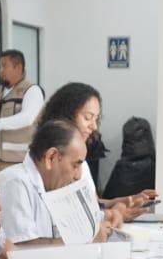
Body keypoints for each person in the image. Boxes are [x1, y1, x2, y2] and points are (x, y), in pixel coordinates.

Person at [35, 82, 155, 222]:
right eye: (87, 117)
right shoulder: (52, 161)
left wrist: (125, 201)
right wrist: (111, 215)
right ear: (66, 116)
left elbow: (91, 203)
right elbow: (67, 216)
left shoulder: (81, 162)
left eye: (96, 119)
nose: (94, 126)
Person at [0, 120, 117, 248]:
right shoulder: (14, 183)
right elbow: (19, 250)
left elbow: (83, 227)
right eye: (75, 165)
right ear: (51, 157)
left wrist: (110, 217)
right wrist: (85, 242)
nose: (77, 176)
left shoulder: (56, 185)